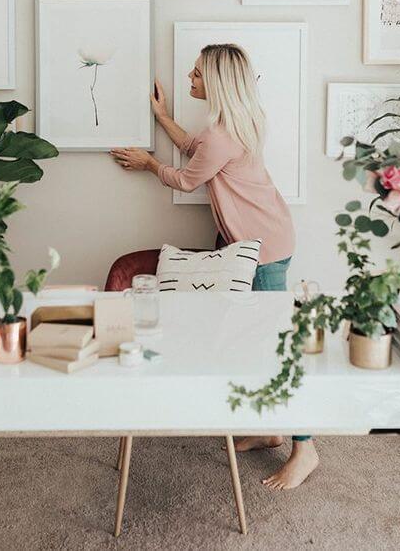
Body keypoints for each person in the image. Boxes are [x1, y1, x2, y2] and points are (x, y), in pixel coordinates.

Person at [110, 43, 318, 489]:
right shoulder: (229, 127)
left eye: (197, 73)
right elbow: (193, 147)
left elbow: (187, 179)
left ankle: (306, 448)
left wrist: (149, 164)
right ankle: (271, 429)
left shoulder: (223, 136)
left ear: (218, 82)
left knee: (277, 348)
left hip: (263, 252)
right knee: (251, 343)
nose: (190, 77)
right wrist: (162, 116)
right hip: (254, 242)